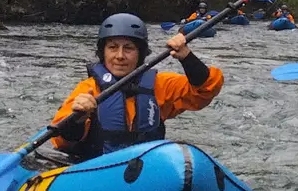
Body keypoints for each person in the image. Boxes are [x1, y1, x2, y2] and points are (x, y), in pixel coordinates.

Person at [49, 13, 222, 163]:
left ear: (140, 53)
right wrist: (78, 119)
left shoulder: (160, 85)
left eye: (129, 48)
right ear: (103, 52)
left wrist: (187, 58)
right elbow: (60, 141)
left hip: (145, 170)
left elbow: (205, 90)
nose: (120, 56)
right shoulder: (88, 89)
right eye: (112, 47)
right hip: (99, 171)